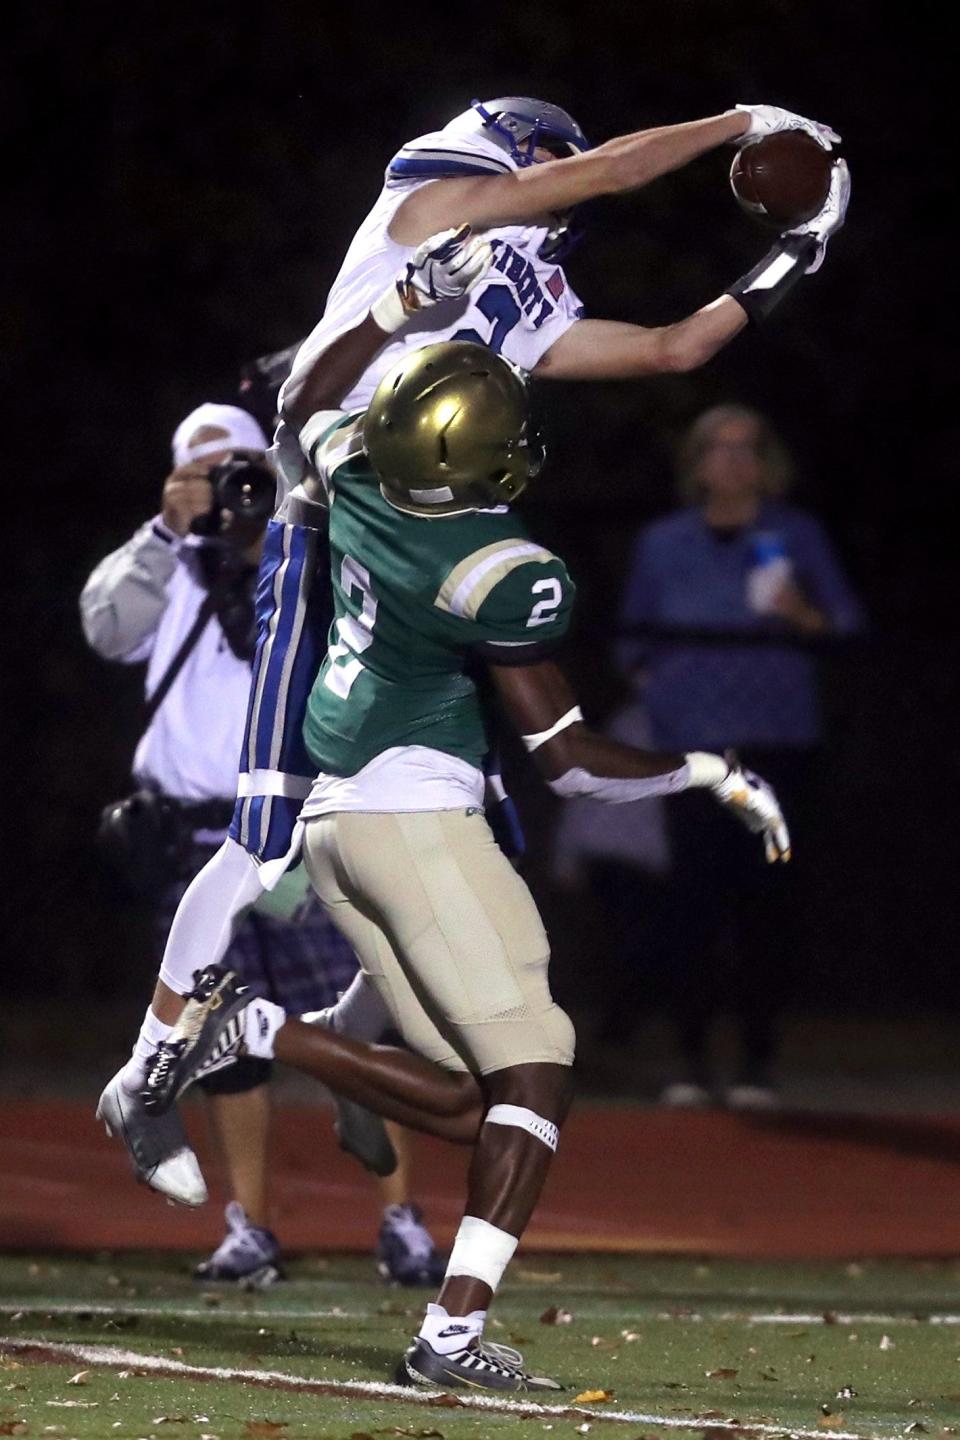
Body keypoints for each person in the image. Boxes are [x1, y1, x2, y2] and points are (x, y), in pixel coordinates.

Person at [102, 84, 850, 1309]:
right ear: (522, 153)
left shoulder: (524, 292)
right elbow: (602, 177)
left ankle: (339, 1033)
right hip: (324, 509)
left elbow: (673, 347)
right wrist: (732, 125)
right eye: (551, 162)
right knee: (272, 813)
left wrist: (795, 252)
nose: (562, 183)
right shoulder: (433, 206)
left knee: (462, 805)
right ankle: (150, 1062)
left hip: (423, 528)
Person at [138, 333, 796, 1397]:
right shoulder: (494, 566)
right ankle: (450, 1333)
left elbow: (309, 402)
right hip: (415, 822)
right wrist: (709, 770)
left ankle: (256, 1026)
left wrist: (382, 309)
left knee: (468, 1098)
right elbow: (572, 762)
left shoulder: (348, 460)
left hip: (336, 821)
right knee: (541, 1064)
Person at [83, 404, 445, 1286]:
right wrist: (168, 529)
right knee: (222, 1044)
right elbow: (106, 628)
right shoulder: (170, 567)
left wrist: (290, 509)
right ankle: (248, 1226)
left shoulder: (313, 555)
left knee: (362, 1029)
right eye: (211, 473)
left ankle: (402, 1222)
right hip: (197, 837)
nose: (234, 487)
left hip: (306, 826)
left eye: (247, 466)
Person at [616, 404, 866, 1107]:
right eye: (716, 450)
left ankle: (759, 1057)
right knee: (689, 901)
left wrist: (802, 615)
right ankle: (689, 1057)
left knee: (768, 902)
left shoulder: (795, 534)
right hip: (691, 746)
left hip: (776, 740)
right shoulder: (664, 542)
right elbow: (630, 635)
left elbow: (846, 622)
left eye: (745, 449)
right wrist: (656, 687)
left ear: (767, 461)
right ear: (696, 463)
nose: (731, 463)